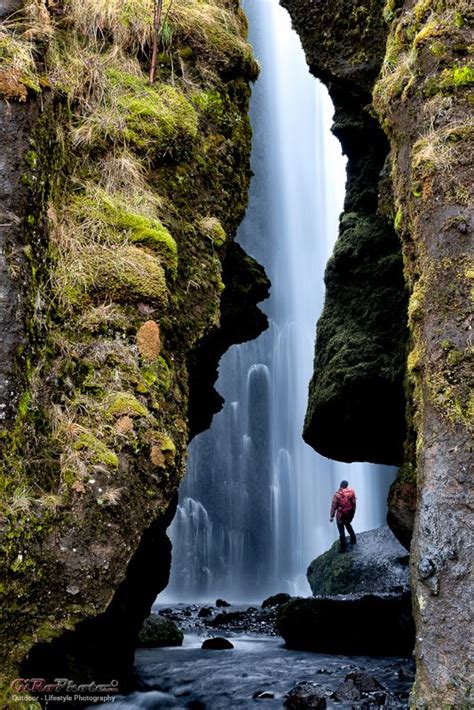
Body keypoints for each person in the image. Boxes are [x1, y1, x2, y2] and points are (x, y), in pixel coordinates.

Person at [330, 480, 357, 552]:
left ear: (340, 485)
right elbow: (354, 503)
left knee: (341, 529)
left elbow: (334, 506)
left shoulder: (337, 495)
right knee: (348, 524)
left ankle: (343, 548)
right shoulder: (351, 493)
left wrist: (331, 516)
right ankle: (353, 539)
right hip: (349, 513)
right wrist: (352, 512)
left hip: (340, 514)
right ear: (346, 486)